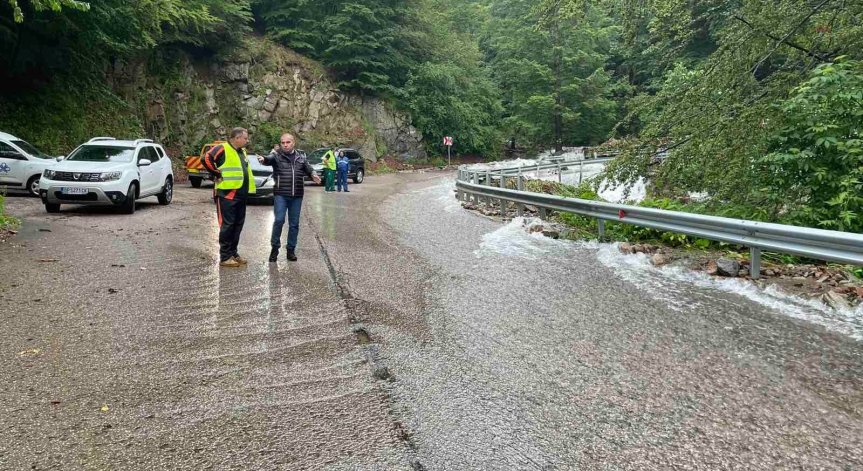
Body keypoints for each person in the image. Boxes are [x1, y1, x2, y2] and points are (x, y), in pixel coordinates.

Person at [259, 133, 321, 262]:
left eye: (288, 142)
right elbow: (268, 159)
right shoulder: (276, 156)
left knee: (294, 224)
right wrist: (263, 159)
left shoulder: (301, 157)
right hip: (281, 194)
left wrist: (313, 174)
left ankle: (291, 250)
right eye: (283, 143)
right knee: (279, 221)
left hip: (297, 196)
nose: (285, 145)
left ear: (293, 143)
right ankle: (274, 249)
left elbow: (308, 168)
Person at [202, 127, 256, 268]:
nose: (247, 140)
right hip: (227, 194)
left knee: (238, 225)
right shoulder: (222, 148)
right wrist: (216, 173)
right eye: (245, 138)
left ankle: (233, 253)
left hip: (241, 194)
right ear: (237, 138)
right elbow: (206, 158)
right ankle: (225, 257)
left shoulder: (242, 151)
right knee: (227, 225)